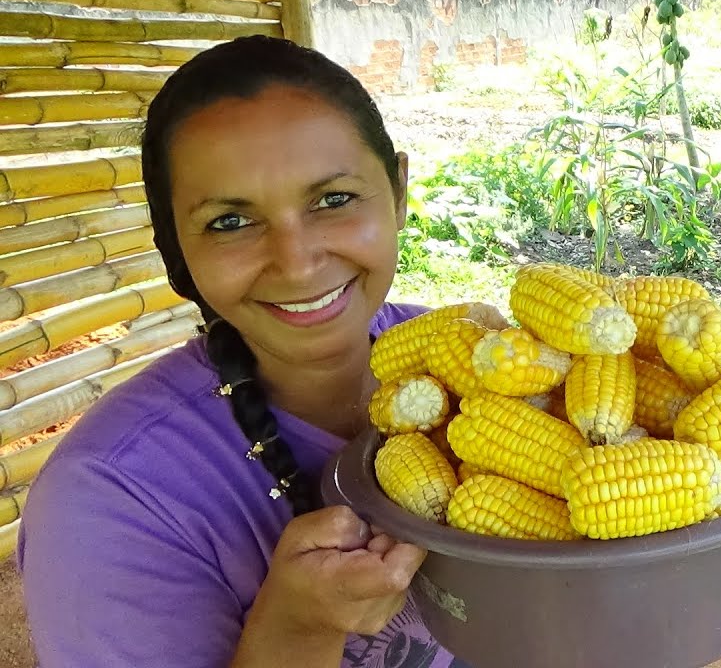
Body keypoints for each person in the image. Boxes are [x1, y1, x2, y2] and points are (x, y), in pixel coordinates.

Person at [16, 35, 467, 668]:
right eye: (231, 221)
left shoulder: (468, 372)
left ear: (397, 193)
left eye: (333, 199)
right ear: (177, 251)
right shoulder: (107, 503)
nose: (298, 260)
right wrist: (297, 630)